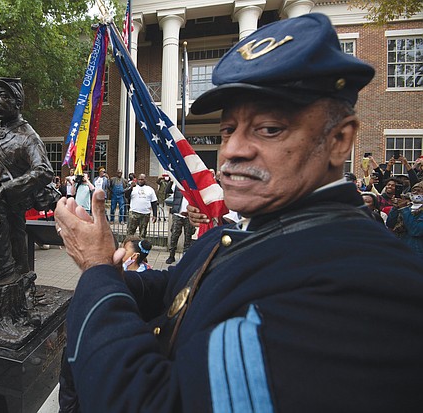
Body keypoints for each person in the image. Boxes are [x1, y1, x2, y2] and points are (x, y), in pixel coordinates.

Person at [53, 14, 423, 412]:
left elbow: (150, 403)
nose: (231, 151)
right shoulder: (251, 229)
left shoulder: (368, 286)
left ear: (339, 141)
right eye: (228, 130)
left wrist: (95, 271)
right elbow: (179, 285)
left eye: (268, 129)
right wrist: (115, 275)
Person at [0, 77, 55, 286]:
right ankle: (21, 271)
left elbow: (44, 170)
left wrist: (7, 189)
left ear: (18, 102)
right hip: (7, 191)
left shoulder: (28, 136)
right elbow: (4, 152)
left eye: (3, 96)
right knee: (15, 231)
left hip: (21, 191)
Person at [386, 181, 423, 259]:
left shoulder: (405, 208)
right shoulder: (407, 206)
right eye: (414, 190)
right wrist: (396, 208)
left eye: (419, 190)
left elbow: (416, 230)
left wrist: (404, 209)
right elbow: (390, 224)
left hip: (417, 252)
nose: (415, 192)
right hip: (401, 249)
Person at [165, 184, 195, 264]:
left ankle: (185, 256)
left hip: (189, 215)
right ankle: (171, 255)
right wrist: (170, 181)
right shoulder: (177, 185)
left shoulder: (192, 185)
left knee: (188, 236)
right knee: (174, 235)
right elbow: (168, 190)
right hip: (178, 214)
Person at [125, 173, 157, 238]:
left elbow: (154, 202)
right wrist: (131, 187)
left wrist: (155, 215)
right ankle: (128, 246)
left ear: (145, 180)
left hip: (145, 214)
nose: (140, 181)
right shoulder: (134, 188)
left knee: (143, 233)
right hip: (134, 213)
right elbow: (126, 195)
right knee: (130, 232)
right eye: (139, 179)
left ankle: (140, 246)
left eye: (142, 179)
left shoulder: (150, 189)